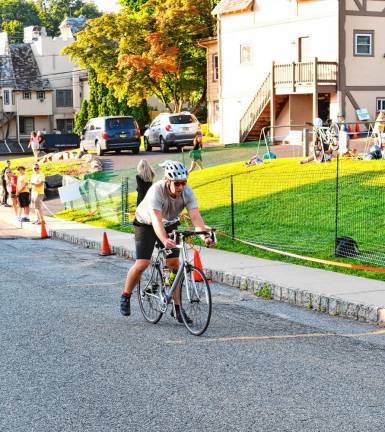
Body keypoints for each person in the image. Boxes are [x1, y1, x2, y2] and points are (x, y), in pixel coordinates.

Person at [120, 160, 215, 322]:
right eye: (177, 184)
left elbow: (195, 217)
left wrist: (205, 236)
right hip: (146, 223)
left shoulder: (187, 191)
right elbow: (156, 220)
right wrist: (164, 239)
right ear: (167, 181)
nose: (181, 187)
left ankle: (177, 309)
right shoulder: (156, 190)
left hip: (169, 223)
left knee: (174, 266)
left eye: (184, 183)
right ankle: (126, 295)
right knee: (142, 263)